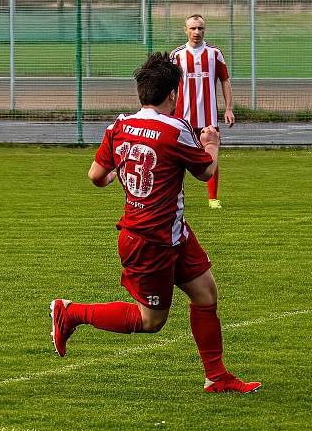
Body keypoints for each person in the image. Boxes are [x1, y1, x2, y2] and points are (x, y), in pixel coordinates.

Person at [50, 53, 260, 393]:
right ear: (173, 95)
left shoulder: (118, 125)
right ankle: (70, 313)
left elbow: (95, 176)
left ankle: (217, 377)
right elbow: (206, 170)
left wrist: (122, 171)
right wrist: (212, 144)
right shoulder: (175, 129)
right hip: (149, 239)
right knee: (151, 321)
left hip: (172, 231)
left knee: (205, 293)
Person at [170, 14, 234, 209]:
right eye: (192, 28)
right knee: (175, 160)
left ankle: (213, 199)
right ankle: (173, 197)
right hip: (182, 118)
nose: (196, 32)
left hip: (209, 117)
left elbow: (225, 80)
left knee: (211, 157)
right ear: (186, 30)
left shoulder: (214, 53)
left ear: (204, 30)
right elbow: (169, 86)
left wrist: (228, 108)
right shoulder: (177, 55)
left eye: (200, 28)